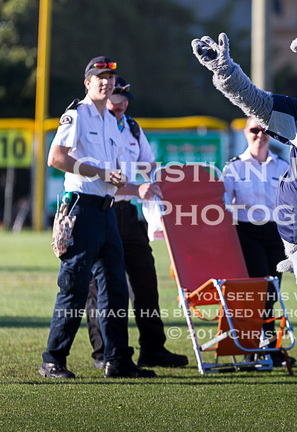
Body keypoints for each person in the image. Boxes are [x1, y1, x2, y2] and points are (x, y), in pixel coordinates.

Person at [41, 56, 156, 379]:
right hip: (81, 209)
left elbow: (113, 174)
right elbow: (56, 158)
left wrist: (120, 181)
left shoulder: (111, 120)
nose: (106, 81)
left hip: (106, 211)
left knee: (116, 288)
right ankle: (53, 359)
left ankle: (117, 359)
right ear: (87, 82)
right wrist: (101, 172)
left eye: (110, 77)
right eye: (99, 76)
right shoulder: (76, 114)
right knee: (74, 286)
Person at [85, 76, 189, 369]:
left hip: (129, 215)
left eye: (125, 98)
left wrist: (160, 188)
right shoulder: (94, 127)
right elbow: (99, 178)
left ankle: (153, 348)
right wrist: (137, 189)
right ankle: (104, 352)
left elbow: (149, 166)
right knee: (100, 285)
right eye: (117, 97)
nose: (122, 103)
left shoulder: (131, 126)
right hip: (101, 209)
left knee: (145, 280)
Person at [222, 116, 295, 367]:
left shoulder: (282, 166)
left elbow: (291, 203)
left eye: (264, 130)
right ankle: (256, 349)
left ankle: (265, 348)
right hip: (246, 232)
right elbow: (223, 205)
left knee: (272, 291)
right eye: (254, 129)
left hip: (275, 234)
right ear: (245, 132)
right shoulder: (233, 168)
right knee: (257, 291)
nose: (259, 134)